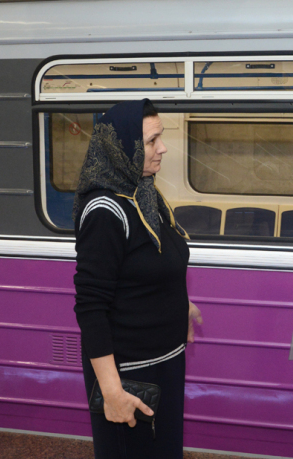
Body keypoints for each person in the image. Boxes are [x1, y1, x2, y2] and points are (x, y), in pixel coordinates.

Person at [73, 99, 202, 459]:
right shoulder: (105, 210)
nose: (162, 148)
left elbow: (150, 266)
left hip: (165, 362)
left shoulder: (144, 194)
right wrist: (112, 392)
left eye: (160, 137)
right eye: (151, 141)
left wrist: (180, 306)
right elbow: (91, 306)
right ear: (122, 146)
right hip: (131, 376)